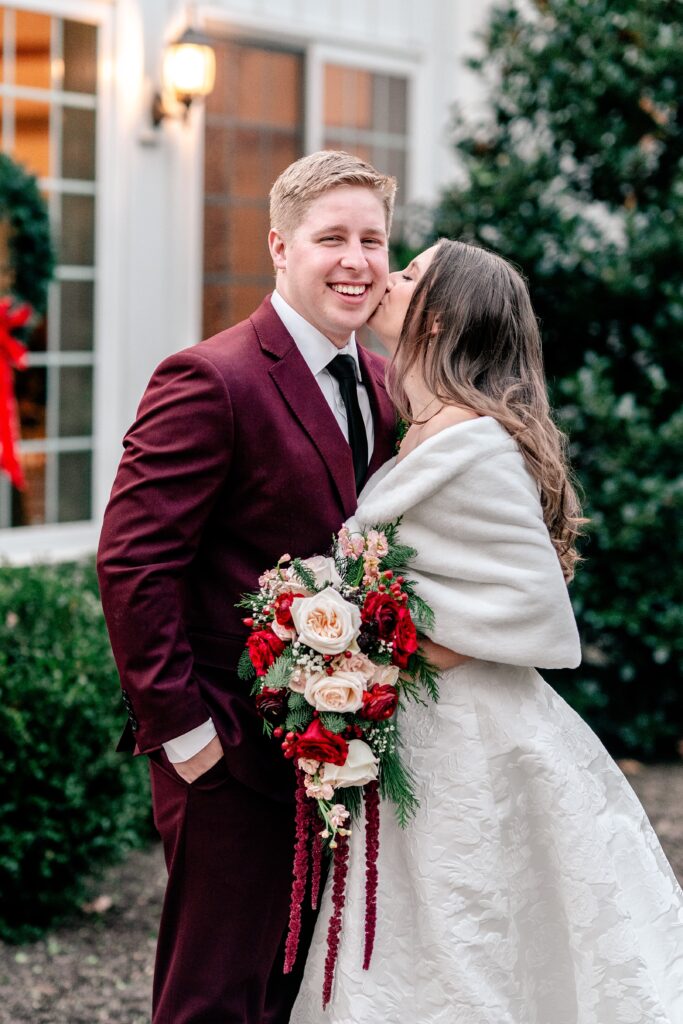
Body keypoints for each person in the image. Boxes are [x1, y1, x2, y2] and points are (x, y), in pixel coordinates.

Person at [291, 240, 683, 1023]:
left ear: (435, 315)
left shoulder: (472, 442)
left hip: (473, 735)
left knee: (476, 931)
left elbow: (528, 604)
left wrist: (380, 663)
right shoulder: (419, 427)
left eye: (404, 275)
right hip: (420, 734)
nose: (383, 277)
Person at [96, 150, 398, 1024]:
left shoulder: (379, 384)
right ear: (278, 245)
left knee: (295, 990)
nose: (356, 260)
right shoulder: (211, 378)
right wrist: (188, 738)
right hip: (229, 752)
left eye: (372, 240)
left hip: (340, 750)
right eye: (331, 237)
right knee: (214, 1000)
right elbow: (133, 562)